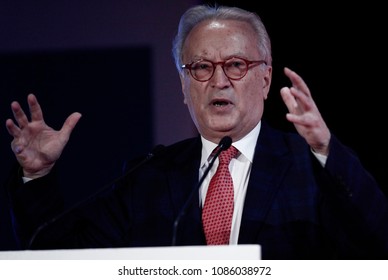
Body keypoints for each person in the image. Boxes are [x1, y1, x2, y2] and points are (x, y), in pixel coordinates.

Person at [5, 4, 388, 260]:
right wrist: (36, 177)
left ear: (266, 79)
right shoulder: (148, 176)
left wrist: (326, 150)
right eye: (201, 68)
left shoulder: (311, 166)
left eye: (236, 64)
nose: (219, 81)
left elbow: (375, 241)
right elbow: (57, 257)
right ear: (183, 87)